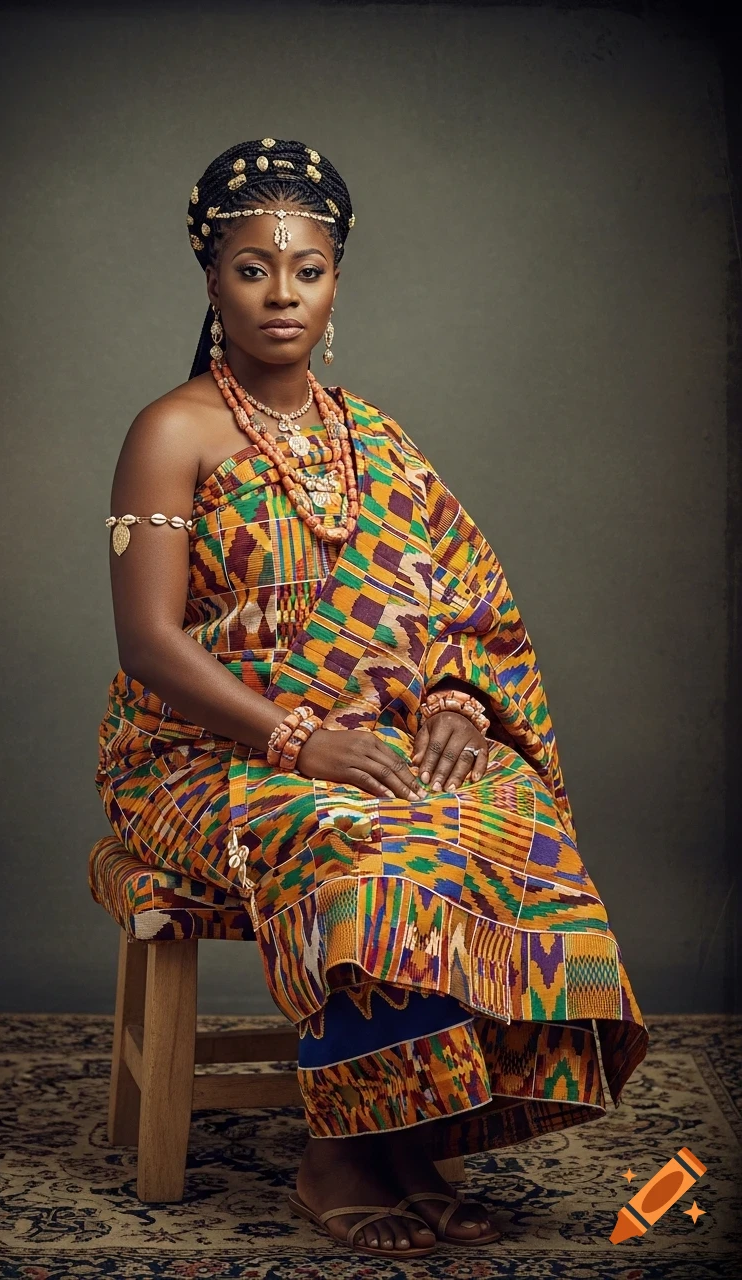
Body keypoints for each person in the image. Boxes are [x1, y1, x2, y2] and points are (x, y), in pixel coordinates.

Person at [95, 137, 649, 1259]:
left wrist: (455, 698)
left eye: (306, 268)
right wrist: (298, 740)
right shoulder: (173, 430)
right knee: (364, 842)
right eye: (253, 268)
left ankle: (419, 1131)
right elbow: (148, 645)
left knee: (501, 810)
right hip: (204, 758)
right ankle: (339, 1148)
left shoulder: (372, 439)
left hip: (364, 738)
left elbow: (460, 602)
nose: (281, 292)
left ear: (337, 276)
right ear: (211, 276)